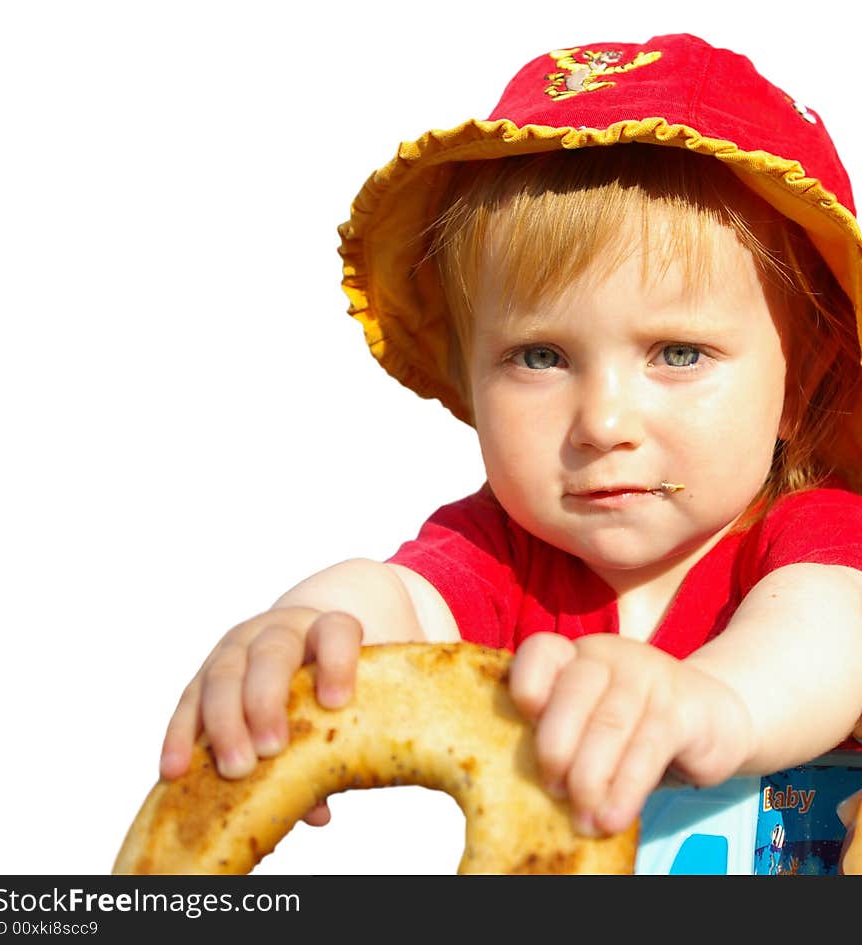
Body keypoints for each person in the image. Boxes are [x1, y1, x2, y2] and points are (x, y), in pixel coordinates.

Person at [159, 33, 862, 856]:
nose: (603, 423)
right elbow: (401, 601)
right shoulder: (502, 553)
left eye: (678, 353)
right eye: (540, 356)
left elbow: (826, 636)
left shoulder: (807, 539)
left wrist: (713, 704)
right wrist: (306, 629)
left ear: (804, 376)